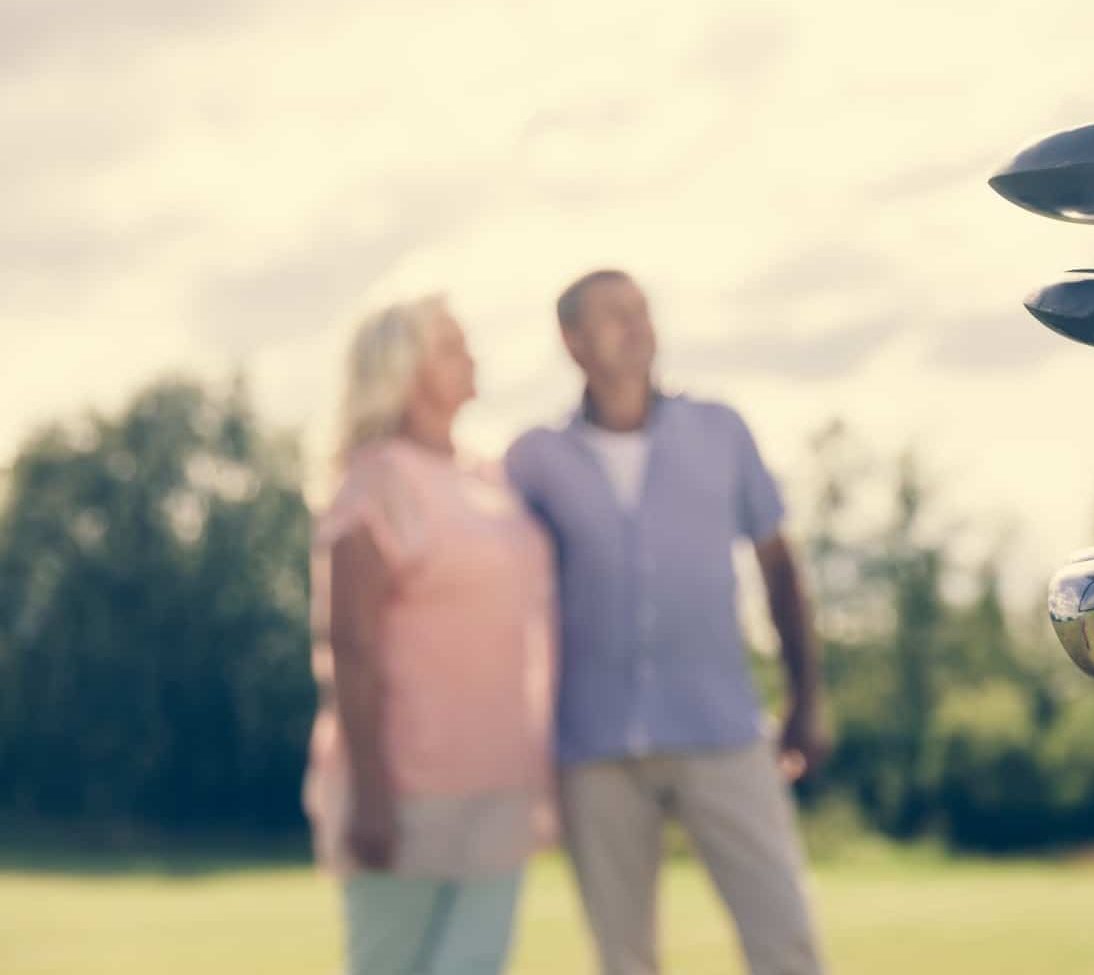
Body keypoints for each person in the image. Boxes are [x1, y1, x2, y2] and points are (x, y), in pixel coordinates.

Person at [505, 269, 827, 975]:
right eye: (615, 314)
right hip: (592, 745)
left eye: (644, 310)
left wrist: (806, 698)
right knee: (623, 958)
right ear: (572, 340)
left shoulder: (720, 429)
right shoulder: (534, 460)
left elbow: (779, 568)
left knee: (786, 941)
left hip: (723, 729)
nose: (638, 326)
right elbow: (501, 599)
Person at [305, 295, 556, 975]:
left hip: (500, 783)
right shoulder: (375, 481)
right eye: (451, 345)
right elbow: (350, 645)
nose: (470, 355)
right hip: (407, 792)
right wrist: (371, 794)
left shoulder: (490, 479)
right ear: (404, 367)